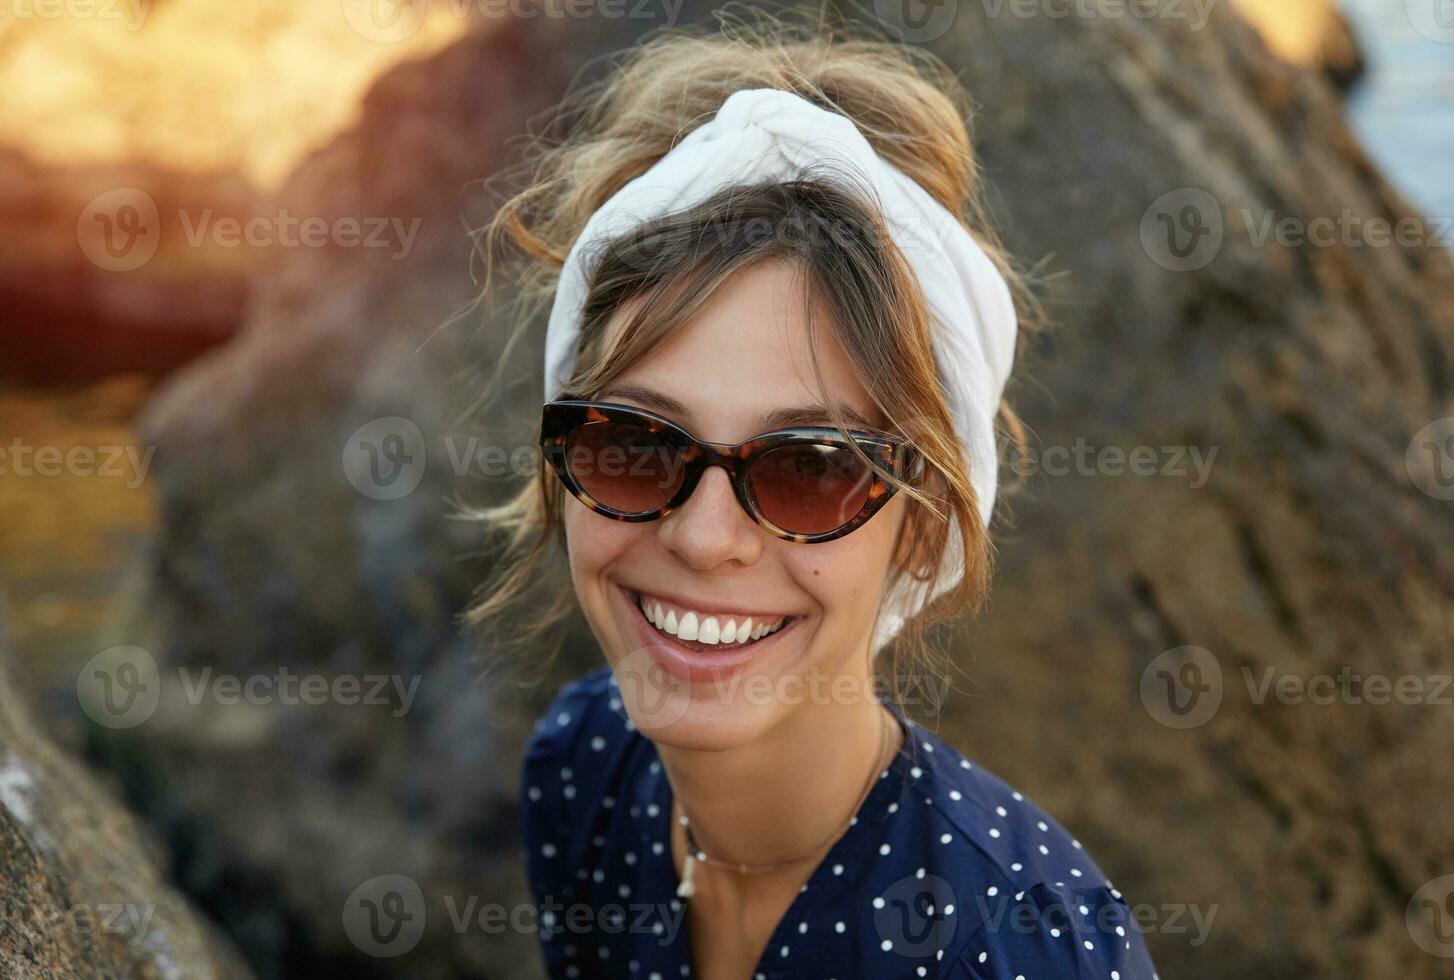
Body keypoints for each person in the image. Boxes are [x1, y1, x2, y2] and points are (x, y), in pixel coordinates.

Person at [468, 13, 1161, 979]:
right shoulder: (585, 766)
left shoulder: (1027, 944)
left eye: (813, 468)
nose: (708, 537)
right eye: (634, 443)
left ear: (922, 528)